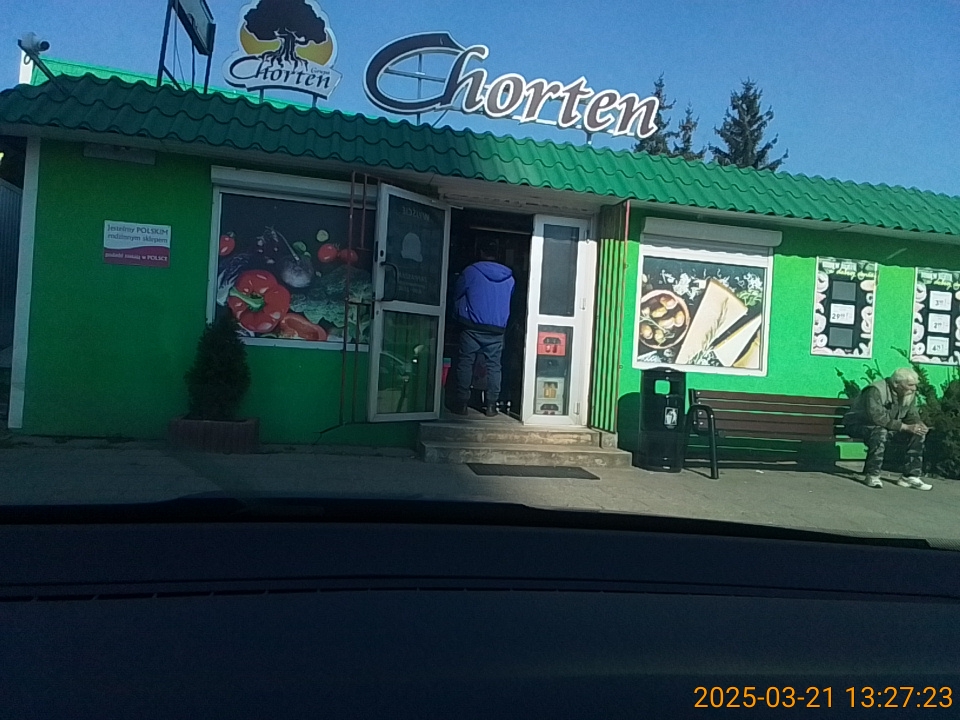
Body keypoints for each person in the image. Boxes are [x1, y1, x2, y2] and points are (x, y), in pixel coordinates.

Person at [450, 240, 515, 417]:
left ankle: (462, 404)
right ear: (498, 254)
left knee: (466, 363)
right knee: (494, 367)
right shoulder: (509, 278)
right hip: (497, 329)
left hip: (471, 327)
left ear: (480, 252)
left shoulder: (470, 272)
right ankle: (492, 406)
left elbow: (457, 293)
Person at [843, 367, 932, 490]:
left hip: (886, 426)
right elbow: (877, 417)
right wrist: (904, 427)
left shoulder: (908, 394)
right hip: (858, 425)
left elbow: (912, 415)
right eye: (910, 385)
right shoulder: (875, 390)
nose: (914, 389)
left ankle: (910, 476)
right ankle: (872, 475)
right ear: (896, 384)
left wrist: (919, 425)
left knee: (918, 433)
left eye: (915, 385)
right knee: (880, 431)